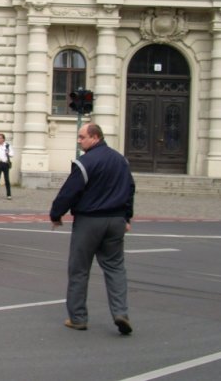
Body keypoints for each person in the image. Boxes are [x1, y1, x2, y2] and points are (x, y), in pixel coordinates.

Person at [50, 123, 135, 336]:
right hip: (116, 220)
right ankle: (121, 313)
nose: (79, 141)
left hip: (89, 221)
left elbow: (70, 191)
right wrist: (126, 216)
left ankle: (78, 318)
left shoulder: (85, 163)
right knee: (115, 268)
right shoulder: (121, 160)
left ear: (95, 137)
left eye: (82, 137)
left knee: (79, 269)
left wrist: (56, 214)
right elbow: (130, 189)